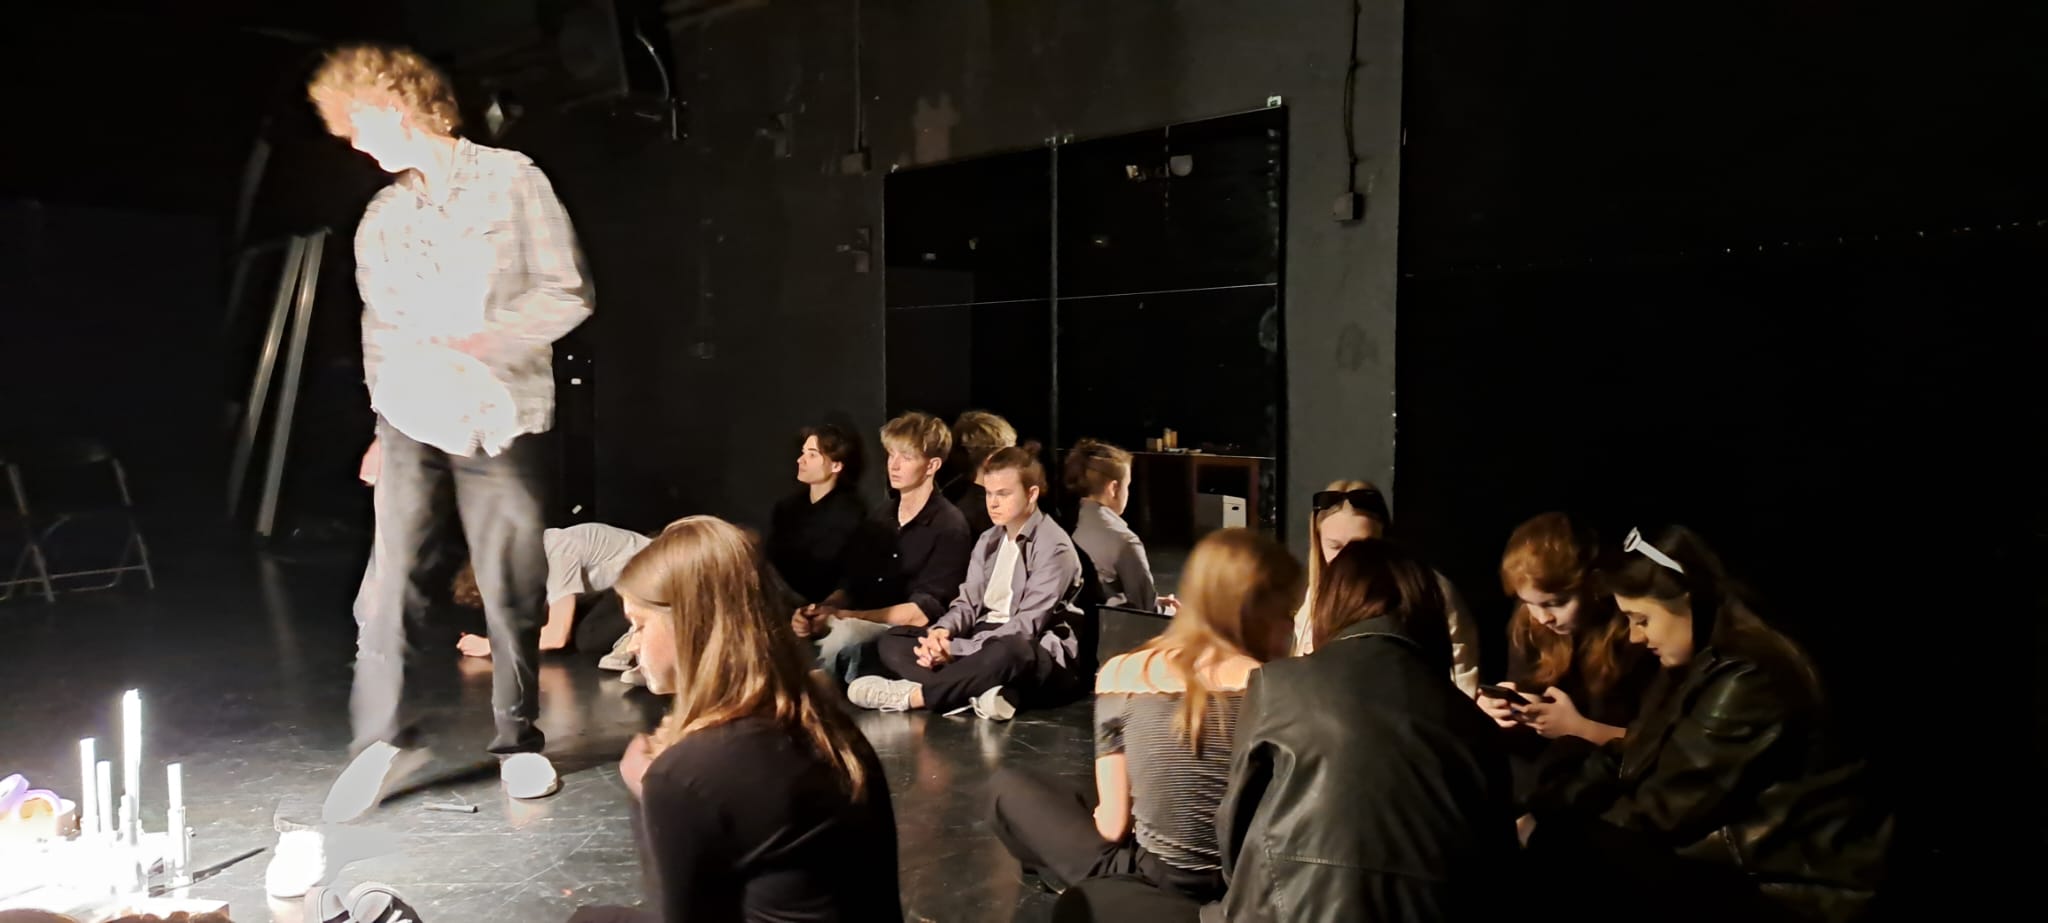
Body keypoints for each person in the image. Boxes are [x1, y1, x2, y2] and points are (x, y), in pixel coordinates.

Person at [311, 43, 592, 816]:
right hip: (411, 413)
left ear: (394, 106)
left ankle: (519, 742)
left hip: (501, 413)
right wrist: (382, 424)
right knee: (389, 578)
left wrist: (485, 338)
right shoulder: (383, 216)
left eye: (357, 124)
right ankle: (377, 742)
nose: (354, 142)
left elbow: (569, 292)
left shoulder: (514, 181)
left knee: (510, 580)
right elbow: (380, 334)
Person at [1522, 526, 1891, 922]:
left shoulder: (1749, 679)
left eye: (1641, 619)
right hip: (1728, 869)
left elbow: (1663, 810)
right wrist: (1544, 807)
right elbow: (1633, 755)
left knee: (1575, 865)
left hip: (1792, 895)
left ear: (1690, 600)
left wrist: (1549, 837)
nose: (1634, 636)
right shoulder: (1693, 663)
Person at [575, 516, 900, 923]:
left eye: (639, 625)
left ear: (689, 625)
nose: (632, 645)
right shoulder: (828, 725)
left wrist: (648, 797)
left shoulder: (687, 774)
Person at [990, 529, 1301, 912]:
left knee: (1008, 788)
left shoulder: (1123, 674)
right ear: (1266, 614)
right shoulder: (1286, 690)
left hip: (1157, 882)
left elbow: (1112, 825)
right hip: (1253, 889)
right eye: (1288, 614)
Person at [1214, 539, 1518, 922]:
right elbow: (1498, 875)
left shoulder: (1277, 684)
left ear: (1330, 604)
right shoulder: (1473, 723)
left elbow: (1233, 833)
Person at [849, 444, 1084, 720]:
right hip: (979, 641)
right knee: (893, 639)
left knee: (1011, 651)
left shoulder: (1053, 547)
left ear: (1031, 494)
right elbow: (967, 603)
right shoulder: (989, 540)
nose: (992, 503)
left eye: (1003, 494)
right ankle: (979, 692)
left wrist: (956, 650)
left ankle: (916, 696)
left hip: (1032, 649)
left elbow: (1027, 626)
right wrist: (940, 634)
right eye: (989, 493)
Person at [1474, 512, 1657, 800]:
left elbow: (1657, 745)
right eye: (1528, 603)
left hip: (1615, 780)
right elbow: (1529, 698)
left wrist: (1577, 728)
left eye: (1557, 603)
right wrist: (1509, 708)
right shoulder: (1530, 624)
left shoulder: (1635, 634)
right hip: (1547, 776)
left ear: (1595, 584)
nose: (1542, 617)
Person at [790, 412, 972, 682]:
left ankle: (821, 696)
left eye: (906, 457)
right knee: (793, 632)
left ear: (932, 465)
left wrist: (843, 616)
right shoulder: (881, 516)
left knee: (845, 634)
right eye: (891, 455)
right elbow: (853, 584)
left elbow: (921, 613)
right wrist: (821, 610)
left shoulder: (949, 526)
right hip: (860, 618)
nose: (894, 465)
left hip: (903, 635)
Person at [1293, 480, 1481, 695]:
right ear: (1318, 543)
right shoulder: (1314, 596)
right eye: (1335, 546)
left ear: (1384, 537)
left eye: (1362, 546)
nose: (1348, 558)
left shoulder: (1430, 590)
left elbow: (1461, 681)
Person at [449, 522, 652, 670]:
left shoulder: (557, 556)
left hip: (652, 579)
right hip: (616, 586)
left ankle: (641, 630)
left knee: (589, 637)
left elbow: (557, 637)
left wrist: (491, 646)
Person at [1064, 439, 1174, 612]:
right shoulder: (1124, 541)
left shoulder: (1067, 526)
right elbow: (1145, 612)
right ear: (1113, 488)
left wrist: (1155, 601)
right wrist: (1172, 611)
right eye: (1127, 486)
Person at [765, 425, 867, 605]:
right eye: (803, 453)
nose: (800, 460)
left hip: (824, 607)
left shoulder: (851, 512)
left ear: (836, 465)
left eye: (812, 455)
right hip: (781, 602)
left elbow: (850, 577)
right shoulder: (787, 508)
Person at [942, 410, 1016, 539]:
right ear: (991, 460)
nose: (1016, 459)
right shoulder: (992, 512)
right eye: (1009, 453)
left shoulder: (947, 494)